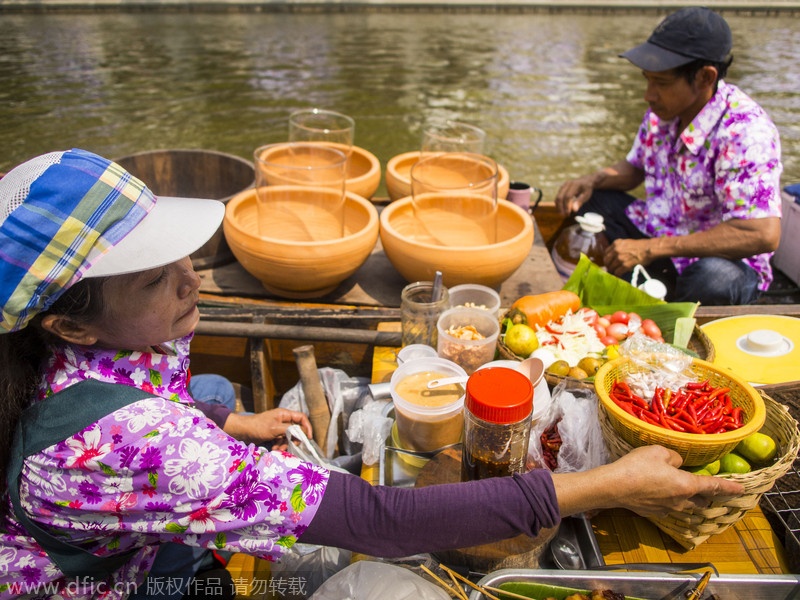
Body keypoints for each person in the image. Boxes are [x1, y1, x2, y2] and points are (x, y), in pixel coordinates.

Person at [0, 149, 742, 600]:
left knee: (220, 392)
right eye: (157, 280)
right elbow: (378, 522)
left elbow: (152, 395)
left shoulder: (71, 350)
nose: (193, 282)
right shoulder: (147, 447)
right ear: (68, 322)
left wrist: (231, 422)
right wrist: (614, 484)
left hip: (111, 505)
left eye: (183, 257)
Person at [555, 7, 783, 305]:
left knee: (713, 280)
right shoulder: (662, 112)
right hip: (661, 235)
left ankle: (656, 294)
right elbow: (635, 168)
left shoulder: (745, 131)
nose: (649, 94)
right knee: (590, 202)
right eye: (647, 79)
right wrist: (592, 179)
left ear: (705, 77)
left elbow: (762, 234)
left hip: (718, 259)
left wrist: (651, 249)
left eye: (661, 83)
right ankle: (653, 285)